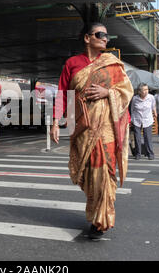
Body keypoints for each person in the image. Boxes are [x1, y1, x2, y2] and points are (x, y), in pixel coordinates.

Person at [50, 22, 133, 239]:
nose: (105, 39)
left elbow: (126, 91)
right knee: (88, 174)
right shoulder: (73, 63)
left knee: (104, 171)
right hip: (83, 127)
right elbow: (62, 94)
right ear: (87, 38)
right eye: (100, 34)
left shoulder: (113, 64)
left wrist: (108, 92)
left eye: (107, 36)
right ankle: (95, 211)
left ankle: (101, 220)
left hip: (106, 129)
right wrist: (55, 122)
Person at [131, 83, 157, 160]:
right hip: (137, 120)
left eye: (147, 89)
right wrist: (132, 120)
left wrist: (155, 113)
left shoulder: (151, 97)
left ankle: (150, 154)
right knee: (137, 138)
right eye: (144, 90)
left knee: (147, 138)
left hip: (147, 119)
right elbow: (132, 109)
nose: (146, 91)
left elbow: (153, 106)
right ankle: (138, 154)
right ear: (139, 91)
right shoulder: (135, 99)